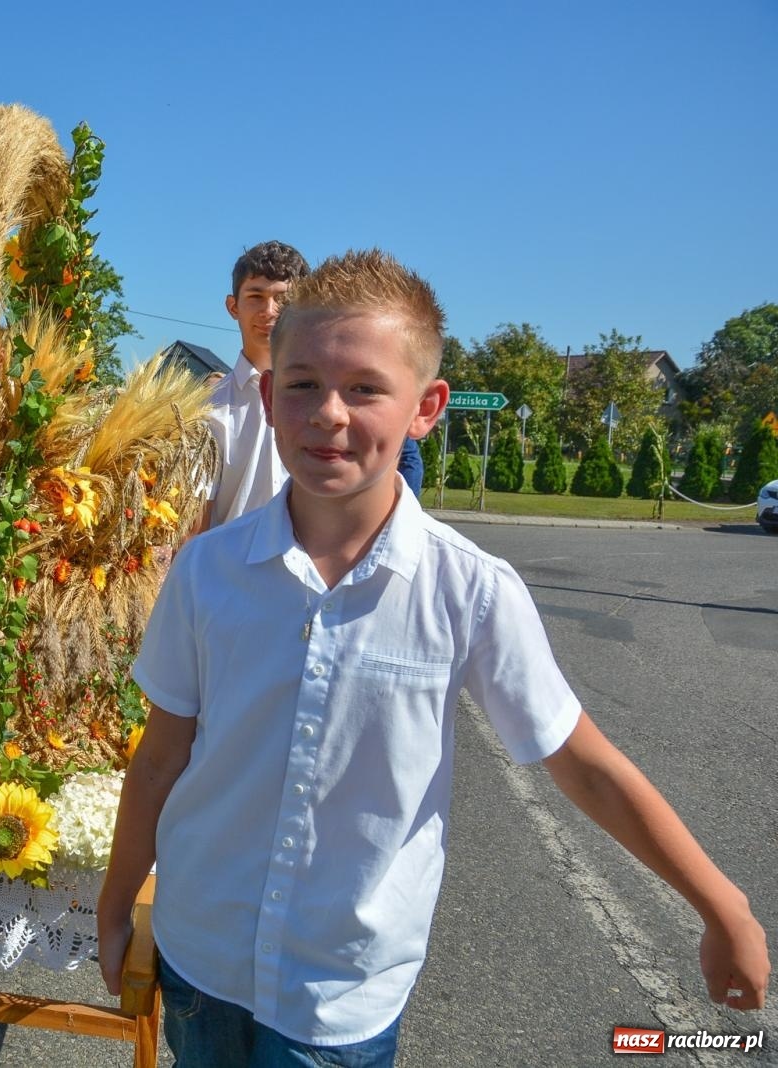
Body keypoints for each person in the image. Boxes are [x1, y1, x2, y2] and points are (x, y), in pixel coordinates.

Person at [98, 249, 768, 1067]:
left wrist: (721, 905)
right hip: (200, 957)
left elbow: (582, 763)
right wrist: (116, 899)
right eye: (303, 384)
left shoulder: (470, 591)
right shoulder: (206, 572)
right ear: (269, 399)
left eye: (367, 388)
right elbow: (162, 755)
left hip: (339, 992)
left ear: (426, 407)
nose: (330, 414)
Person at [198, 241, 422, 531]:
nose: (269, 310)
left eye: (282, 298)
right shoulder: (207, 407)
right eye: (256, 296)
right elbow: (195, 524)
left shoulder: (338, 405)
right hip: (231, 570)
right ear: (233, 307)